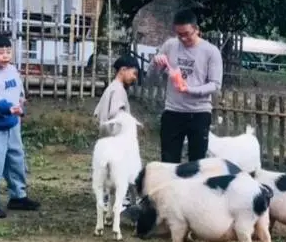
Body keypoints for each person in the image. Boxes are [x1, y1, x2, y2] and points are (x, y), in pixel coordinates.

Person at [151, 8, 223, 163]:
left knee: (197, 162)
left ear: (197, 30)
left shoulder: (211, 52)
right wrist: (156, 62)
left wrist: (189, 90)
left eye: (187, 34)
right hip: (173, 111)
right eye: (179, 35)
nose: (183, 39)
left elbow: (215, 85)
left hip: (199, 113)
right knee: (168, 160)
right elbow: (153, 74)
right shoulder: (170, 45)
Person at [0, 33, 39, 219]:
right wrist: (7, 107)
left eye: (8, 51)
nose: (6, 55)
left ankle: (18, 195)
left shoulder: (12, 70)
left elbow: (18, 88)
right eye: (1, 52)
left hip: (13, 123)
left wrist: (20, 100)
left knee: (16, 158)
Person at [93, 54, 141, 132]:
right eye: (134, 73)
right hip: (114, 139)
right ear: (123, 70)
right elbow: (117, 118)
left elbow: (97, 114)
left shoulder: (112, 87)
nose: (135, 78)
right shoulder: (118, 90)